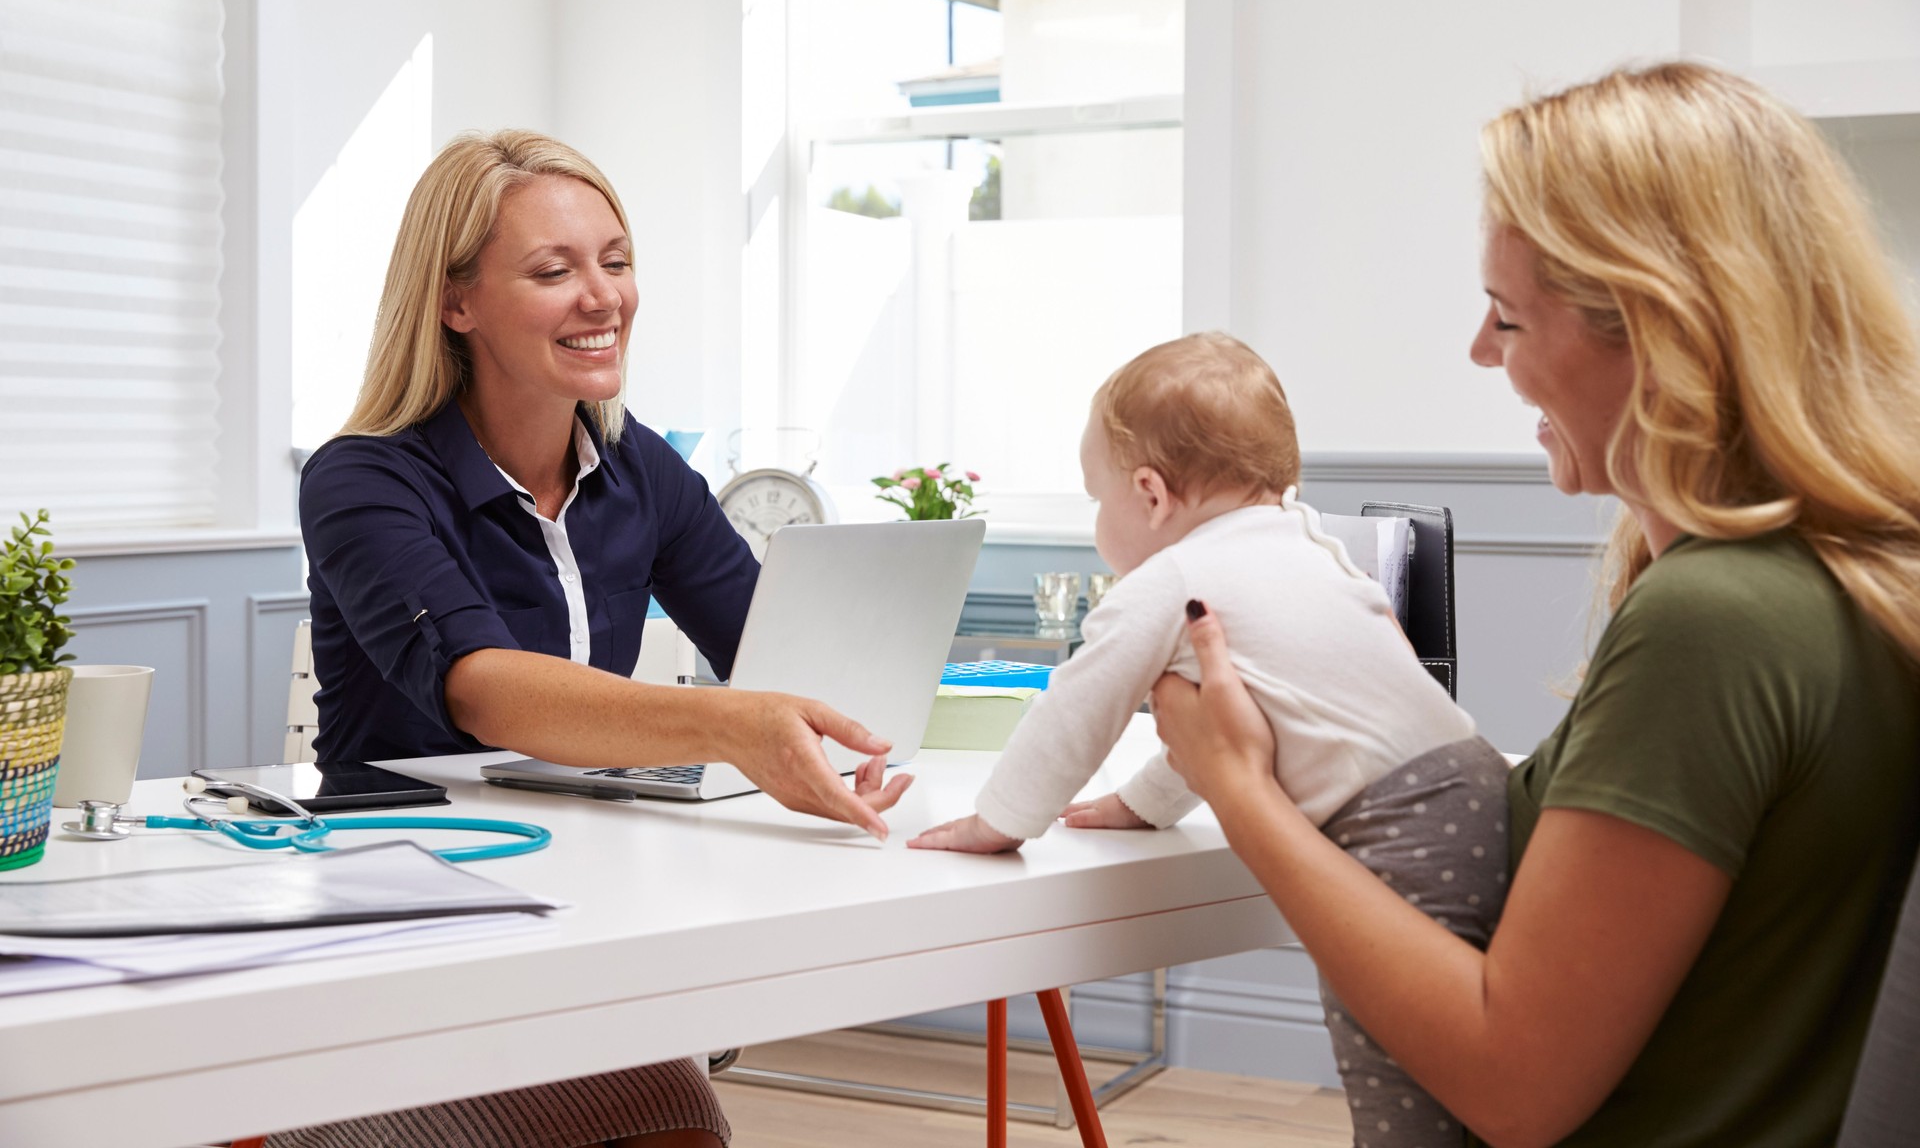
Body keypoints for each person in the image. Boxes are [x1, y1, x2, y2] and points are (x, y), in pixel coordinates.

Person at [1150, 62, 1920, 1148]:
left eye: (1508, 318)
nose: (1481, 351)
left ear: (1661, 333)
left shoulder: (1717, 621)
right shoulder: (1852, 579)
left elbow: (1512, 1079)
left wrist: (1239, 788)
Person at [286, 131, 911, 1148]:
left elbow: (771, 648)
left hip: (584, 899)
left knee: (682, 1129)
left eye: (615, 261)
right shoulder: (364, 478)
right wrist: (727, 722)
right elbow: (480, 686)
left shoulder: (638, 466)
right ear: (456, 302)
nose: (603, 295)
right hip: (400, 923)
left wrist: (845, 716)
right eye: (553, 269)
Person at [910, 332, 1512, 1137]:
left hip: (1393, 834)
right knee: (1474, 1061)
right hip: (1482, 790)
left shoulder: (1171, 580)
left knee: (1400, 1058)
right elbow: (1228, 727)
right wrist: (1143, 805)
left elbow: (1077, 704)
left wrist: (1003, 817)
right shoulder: (1312, 545)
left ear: (1151, 495)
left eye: (1097, 497)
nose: (1098, 519)